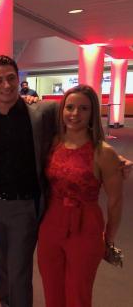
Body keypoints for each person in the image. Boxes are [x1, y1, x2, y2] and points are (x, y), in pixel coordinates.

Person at [0, 55, 58, 307]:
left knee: (19, 274)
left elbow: (79, 125)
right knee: (1, 271)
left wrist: (108, 155)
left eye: (11, 78)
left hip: (25, 208)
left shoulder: (41, 112)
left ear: (19, 79)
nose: (6, 85)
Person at [37, 85, 123, 307]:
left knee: (78, 295)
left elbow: (115, 202)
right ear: (62, 110)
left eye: (83, 108)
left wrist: (108, 239)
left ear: (93, 112)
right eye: (70, 107)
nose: (75, 114)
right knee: (52, 292)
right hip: (51, 224)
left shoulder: (103, 152)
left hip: (86, 227)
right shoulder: (53, 143)